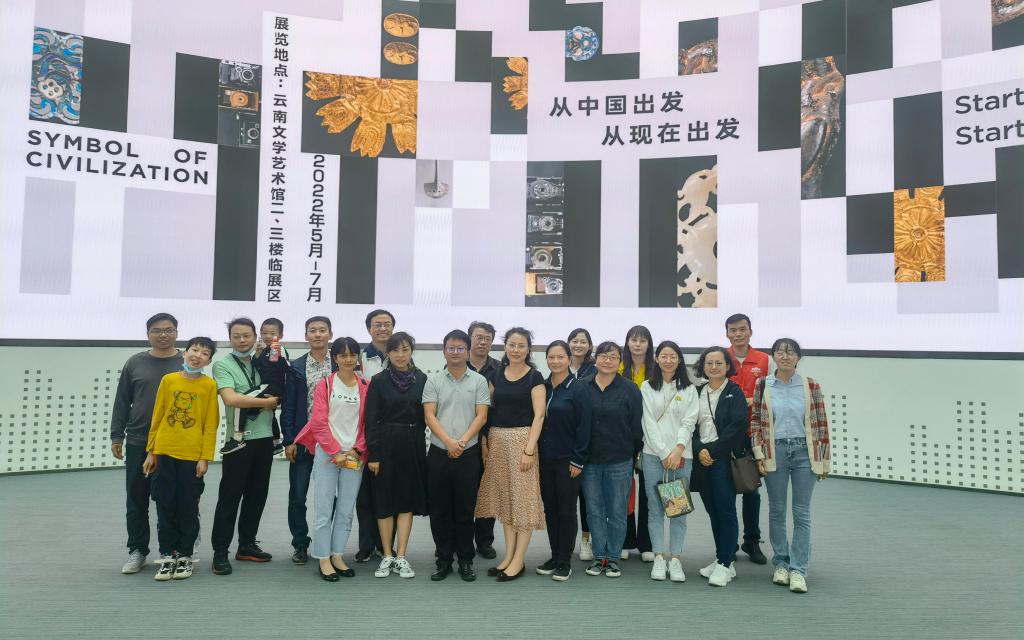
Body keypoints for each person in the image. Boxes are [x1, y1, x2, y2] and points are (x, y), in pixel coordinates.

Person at [751, 338, 831, 594]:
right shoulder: (763, 384)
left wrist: (823, 460)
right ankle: (781, 563)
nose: (785, 356)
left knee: (801, 512)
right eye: (780, 352)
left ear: (798, 357)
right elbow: (755, 422)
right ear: (773, 356)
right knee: (777, 510)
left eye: (790, 352)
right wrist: (759, 454)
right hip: (774, 452)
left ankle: (798, 569)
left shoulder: (810, 385)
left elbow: (821, 423)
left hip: (804, 453)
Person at [110, 312, 183, 574]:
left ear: (177, 332)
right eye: (157, 330)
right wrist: (117, 435)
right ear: (148, 334)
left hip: (173, 443)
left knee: (169, 499)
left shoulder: (187, 361)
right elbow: (122, 401)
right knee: (136, 497)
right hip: (139, 440)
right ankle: (137, 550)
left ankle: (171, 551)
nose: (163, 335)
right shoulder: (135, 363)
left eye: (169, 330)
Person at [143, 337, 219, 581]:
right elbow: (158, 416)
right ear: (185, 353)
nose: (198, 355)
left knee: (188, 506)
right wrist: (151, 451)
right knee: (164, 504)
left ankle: (185, 555)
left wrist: (205, 457)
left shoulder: (209, 385)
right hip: (164, 452)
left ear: (208, 360)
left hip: (191, 456)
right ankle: (167, 555)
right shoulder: (169, 380)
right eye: (194, 350)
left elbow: (210, 424)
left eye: (204, 353)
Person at [293, 337, 369, 582]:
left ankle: (337, 555)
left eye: (352, 354)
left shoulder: (365, 386)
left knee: (346, 510)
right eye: (343, 355)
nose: (348, 359)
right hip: (328, 454)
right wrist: (335, 451)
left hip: (354, 456)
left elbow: (368, 424)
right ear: (335, 358)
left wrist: (356, 450)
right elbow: (318, 423)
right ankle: (323, 557)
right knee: (324, 509)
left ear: (357, 357)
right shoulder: (325, 385)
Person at [475, 327, 546, 582]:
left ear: (528, 349)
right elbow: (487, 411)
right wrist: (485, 441)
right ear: (505, 347)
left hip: (522, 442)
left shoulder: (535, 377)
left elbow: (539, 416)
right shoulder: (495, 375)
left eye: (521, 345)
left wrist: (529, 449)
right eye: (512, 345)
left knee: (523, 503)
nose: (516, 350)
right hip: (497, 441)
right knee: (506, 502)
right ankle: (509, 556)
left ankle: (518, 560)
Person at [210, 318, 280, 575]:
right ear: (230, 338)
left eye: (246, 335)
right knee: (230, 497)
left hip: (265, 439)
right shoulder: (223, 365)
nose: (242, 340)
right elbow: (231, 398)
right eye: (236, 336)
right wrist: (267, 403)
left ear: (255, 337)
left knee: (257, 495)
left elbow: (278, 387)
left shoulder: (263, 362)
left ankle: (247, 545)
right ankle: (220, 552)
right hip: (238, 441)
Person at [423, 330, 490, 582]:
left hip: (468, 452)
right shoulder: (433, 380)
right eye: (450, 348)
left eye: (460, 348)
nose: (455, 352)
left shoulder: (479, 381)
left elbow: (481, 415)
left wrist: (461, 442)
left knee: (465, 509)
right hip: (439, 452)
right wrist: (449, 442)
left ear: (468, 352)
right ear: (444, 351)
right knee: (439, 510)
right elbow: (429, 415)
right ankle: (443, 560)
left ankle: (465, 560)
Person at [365, 332, 428, 579]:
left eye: (405, 350)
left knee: (406, 502)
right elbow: (371, 420)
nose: (400, 355)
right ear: (387, 353)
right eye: (395, 350)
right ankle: (387, 555)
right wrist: (374, 454)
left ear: (411, 351)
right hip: (385, 445)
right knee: (384, 502)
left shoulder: (421, 379)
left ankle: (401, 555)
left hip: (412, 445)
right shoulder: (378, 381)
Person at [581, 341, 643, 578]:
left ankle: (613, 557)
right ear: (595, 359)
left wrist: (632, 455)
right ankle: (599, 557)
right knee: (594, 510)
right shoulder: (583, 386)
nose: (607, 361)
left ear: (620, 361)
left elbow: (636, 427)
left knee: (617, 511)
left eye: (613, 357)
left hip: (619, 459)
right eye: (603, 356)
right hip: (590, 461)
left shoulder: (630, 389)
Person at [640, 341, 698, 583]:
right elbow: (648, 422)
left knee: (677, 510)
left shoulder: (689, 389)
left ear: (679, 359)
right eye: (663, 356)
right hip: (653, 456)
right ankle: (658, 557)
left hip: (682, 457)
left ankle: (675, 559)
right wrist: (664, 452)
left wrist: (678, 449)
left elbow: (689, 421)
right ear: (656, 358)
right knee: (655, 509)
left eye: (673, 356)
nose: (668, 360)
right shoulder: (647, 386)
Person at [691, 346, 749, 587]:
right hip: (701, 459)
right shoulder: (696, 392)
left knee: (725, 511)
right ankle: (722, 558)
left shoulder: (734, 392)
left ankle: (725, 563)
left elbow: (737, 428)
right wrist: (699, 449)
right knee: (712, 511)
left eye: (718, 363)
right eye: (709, 363)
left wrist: (711, 451)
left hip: (723, 460)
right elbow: (689, 426)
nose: (713, 367)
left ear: (727, 366)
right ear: (702, 366)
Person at [280, 316, 335, 565]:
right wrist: (289, 440)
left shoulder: (340, 363)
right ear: (306, 336)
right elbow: (289, 406)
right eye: (312, 330)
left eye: (322, 330)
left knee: (331, 496)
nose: (318, 334)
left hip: (332, 440)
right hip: (303, 440)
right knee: (298, 495)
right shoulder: (297, 366)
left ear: (330, 334)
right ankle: (300, 543)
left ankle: (328, 543)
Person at [536, 340, 592, 582]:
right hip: (545, 459)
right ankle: (554, 555)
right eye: (551, 357)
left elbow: (585, 427)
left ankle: (564, 560)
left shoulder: (578, 389)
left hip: (568, 461)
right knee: (550, 509)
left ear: (569, 359)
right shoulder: (543, 387)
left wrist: (578, 460)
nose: (556, 361)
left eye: (561, 357)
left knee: (567, 510)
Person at [725, 313, 770, 565]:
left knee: (752, 490)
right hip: (726, 434)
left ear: (750, 331)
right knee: (726, 491)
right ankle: (729, 543)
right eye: (733, 330)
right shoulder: (720, 358)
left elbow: (772, 392)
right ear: (727, 334)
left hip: (754, 434)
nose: (738, 334)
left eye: (742, 329)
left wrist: (753, 401)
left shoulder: (764, 360)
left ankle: (752, 540)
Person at [355, 308, 395, 562]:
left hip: (390, 433)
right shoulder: (359, 358)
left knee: (388, 491)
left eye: (387, 324)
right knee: (364, 494)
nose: (382, 328)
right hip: (361, 432)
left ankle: (386, 545)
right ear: (369, 329)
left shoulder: (400, 356)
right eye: (377, 324)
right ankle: (366, 545)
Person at [221, 317, 290, 457]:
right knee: (268, 413)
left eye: (273, 333)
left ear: (281, 335)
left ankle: (237, 438)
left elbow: (286, 368)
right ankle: (276, 443)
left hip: (271, 387)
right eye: (265, 333)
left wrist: (278, 358)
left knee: (241, 401)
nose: (268, 336)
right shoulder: (264, 349)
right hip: (268, 386)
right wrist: (258, 355)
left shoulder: (278, 348)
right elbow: (257, 366)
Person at [620, 325, 655, 562]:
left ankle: (646, 543)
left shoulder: (656, 369)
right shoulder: (619, 368)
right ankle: (625, 540)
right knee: (624, 488)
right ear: (628, 343)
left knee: (648, 491)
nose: (638, 344)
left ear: (648, 344)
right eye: (634, 340)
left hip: (651, 438)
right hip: (624, 437)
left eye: (642, 340)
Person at [466, 320, 501, 559]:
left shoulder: (499, 369)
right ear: (470, 338)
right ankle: (463, 539)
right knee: (464, 491)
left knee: (488, 491)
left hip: (492, 438)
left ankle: (484, 541)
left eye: (488, 339)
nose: (483, 342)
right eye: (479, 337)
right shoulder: (458, 364)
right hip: (463, 438)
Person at [566, 327, 596, 561]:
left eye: (582, 341)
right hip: (563, 442)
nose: (578, 345)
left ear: (589, 346)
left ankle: (586, 539)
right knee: (566, 499)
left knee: (587, 498)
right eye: (574, 341)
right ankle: (565, 542)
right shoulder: (560, 367)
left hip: (588, 442)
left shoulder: (595, 370)